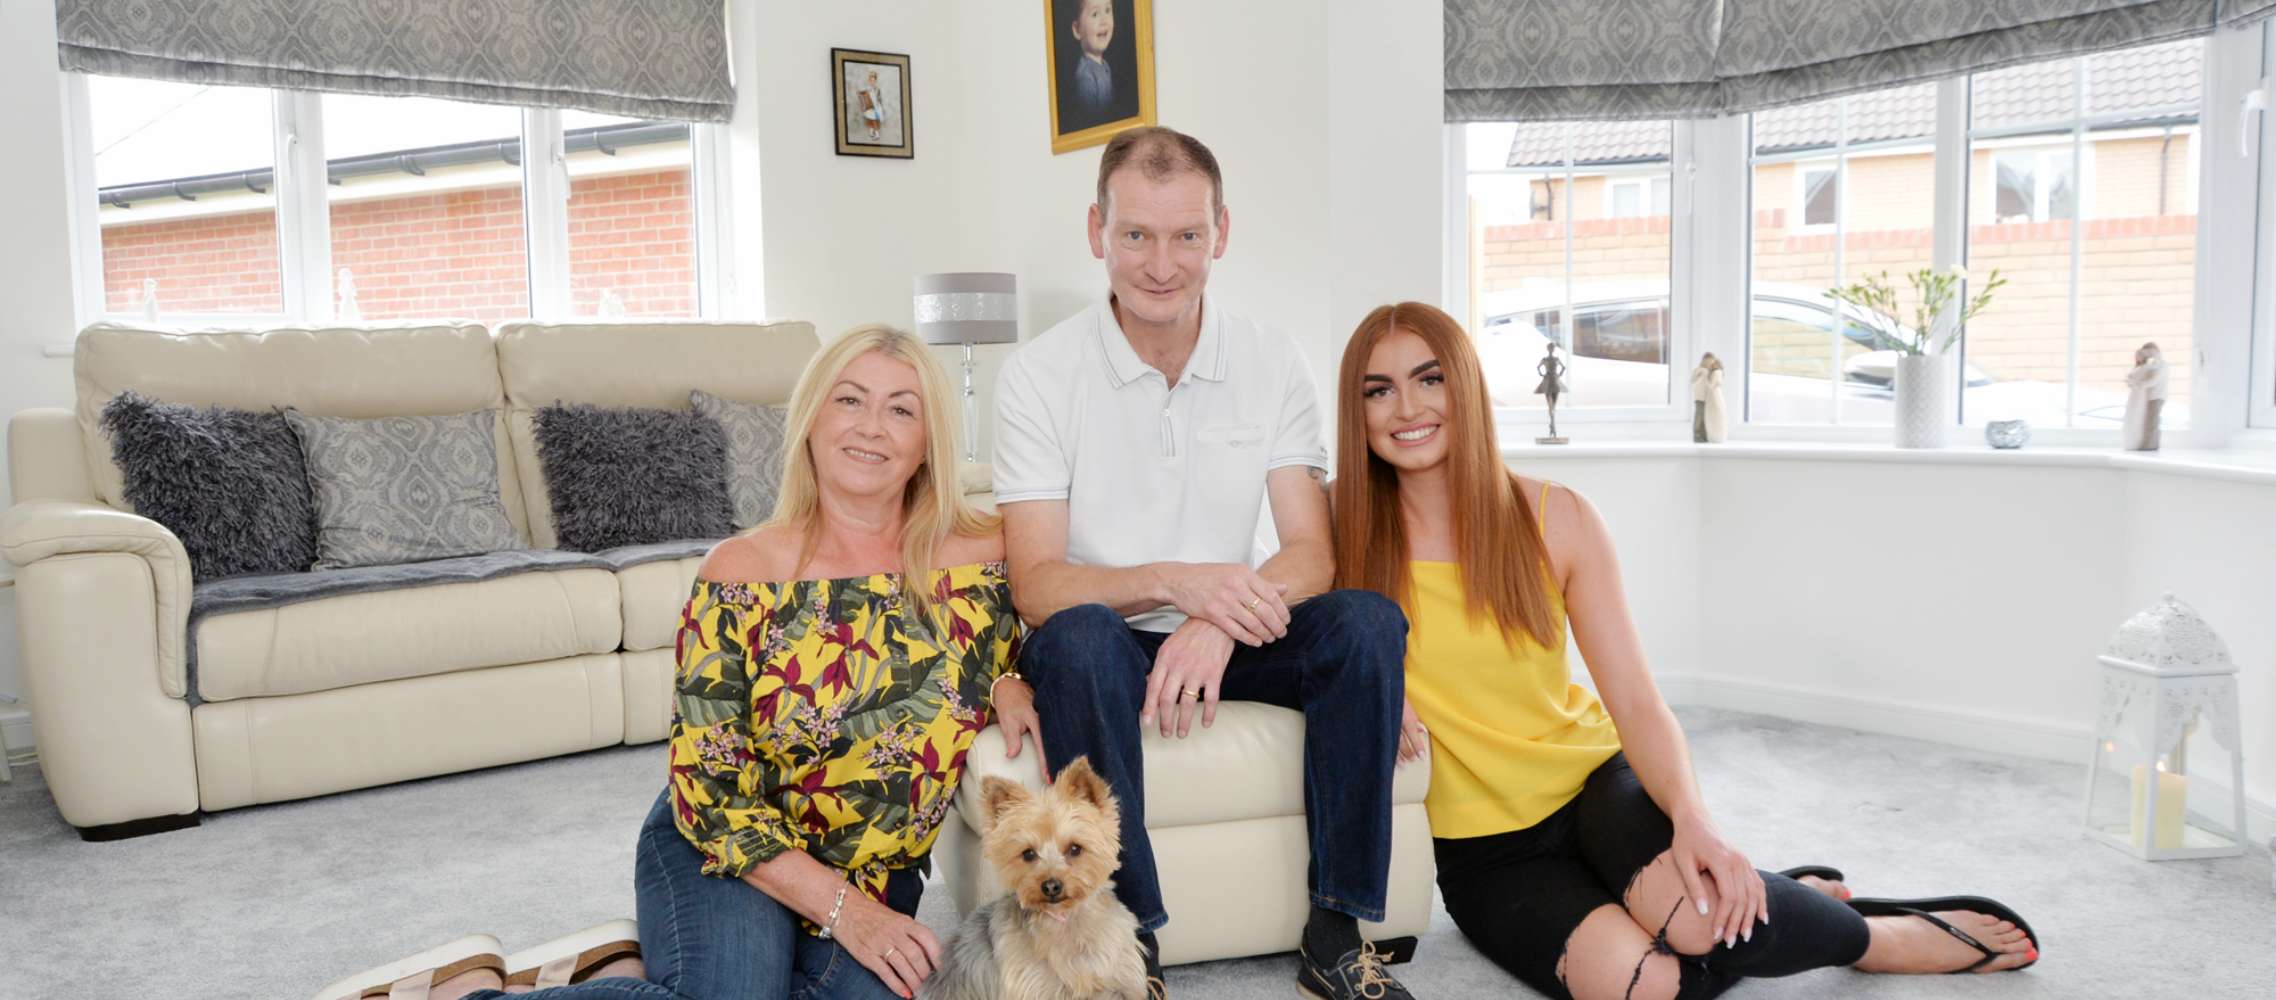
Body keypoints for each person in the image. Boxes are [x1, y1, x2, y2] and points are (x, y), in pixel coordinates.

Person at [1332, 302, 2040, 1000]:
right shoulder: (1338, 534)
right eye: (1378, 390)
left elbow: (1635, 699)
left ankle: (1873, 939)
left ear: (1464, 389)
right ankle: (1783, 897)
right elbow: (1295, 650)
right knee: (1647, 983)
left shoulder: (1558, 518)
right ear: (1356, 411)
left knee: (1701, 925)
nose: (1406, 408)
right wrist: (1376, 692)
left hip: (1594, 788)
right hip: (1485, 855)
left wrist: (1694, 820)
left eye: (1430, 380)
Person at [322, 325, 1036, 1000]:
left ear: (928, 445)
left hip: (879, 870)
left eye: (900, 409)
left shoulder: (981, 557)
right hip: (728, 848)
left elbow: (1045, 628)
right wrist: (846, 912)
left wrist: (1010, 675)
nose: (869, 426)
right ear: (813, 422)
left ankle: (613, 969)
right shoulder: (740, 572)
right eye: (848, 400)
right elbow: (709, 790)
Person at [992, 126, 1418, 1000]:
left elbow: (1313, 550)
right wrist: (1180, 584)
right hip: (1101, 639)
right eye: (1136, 235)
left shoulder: (1270, 357)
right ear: (1096, 232)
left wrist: (1215, 619)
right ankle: (1132, 942)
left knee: (1367, 623)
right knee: (1077, 640)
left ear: (1221, 232)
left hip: (1228, 629)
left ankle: (1337, 930)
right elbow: (1035, 584)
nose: (1161, 263)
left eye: (1186, 235)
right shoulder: (1038, 375)